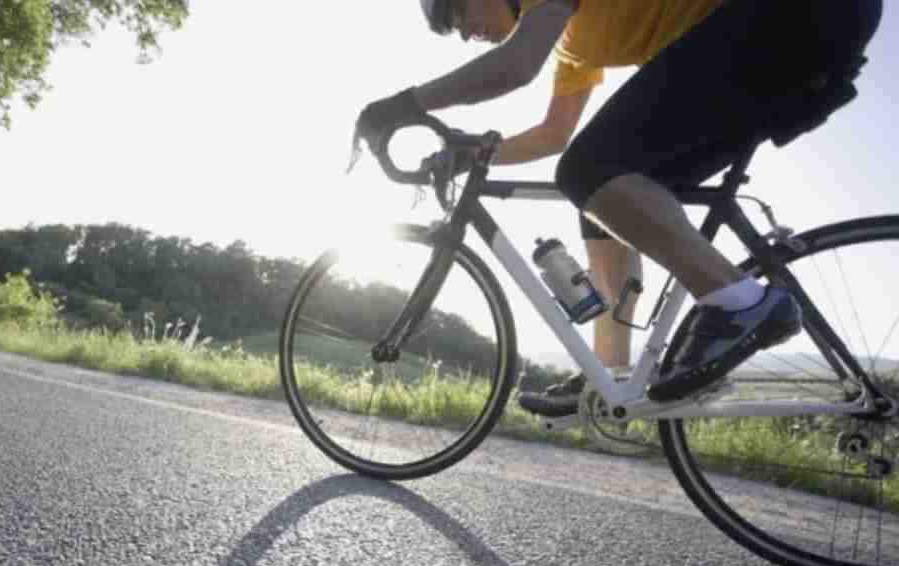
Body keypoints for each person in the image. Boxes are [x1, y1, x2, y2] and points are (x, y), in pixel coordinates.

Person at [356, 0, 882, 407]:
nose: (466, 34)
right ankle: (609, 379)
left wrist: (400, 106)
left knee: (589, 172)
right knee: (607, 199)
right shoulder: (574, 40)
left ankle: (741, 304)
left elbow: (514, 67)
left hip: (787, 15)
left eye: (457, 13)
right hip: (795, 33)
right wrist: (474, 154)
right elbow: (554, 132)